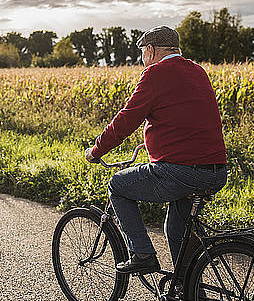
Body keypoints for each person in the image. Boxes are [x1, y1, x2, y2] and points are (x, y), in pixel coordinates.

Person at [85, 25, 227, 275]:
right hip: (215, 171)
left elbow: (125, 121)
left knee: (117, 185)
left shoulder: (155, 74)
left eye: (142, 52)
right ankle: (190, 293)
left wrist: (96, 150)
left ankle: (142, 254)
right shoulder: (197, 71)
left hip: (181, 172)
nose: (142, 59)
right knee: (176, 229)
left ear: (150, 50)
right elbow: (187, 117)